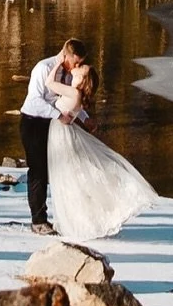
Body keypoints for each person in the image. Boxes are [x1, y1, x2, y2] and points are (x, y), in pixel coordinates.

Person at [45, 60, 157, 241]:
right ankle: (75, 220)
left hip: (61, 134)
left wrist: (58, 63)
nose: (78, 67)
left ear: (82, 80)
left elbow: (49, 83)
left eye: (82, 70)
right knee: (70, 177)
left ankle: (79, 222)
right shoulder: (77, 95)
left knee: (69, 178)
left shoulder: (74, 92)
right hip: (61, 132)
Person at [19, 37, 87, 234]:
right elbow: (34, 102)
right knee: (38, 171)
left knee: (56, 171)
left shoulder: (68, 73)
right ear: (66, 55)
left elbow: (67, 99)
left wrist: (84, 118)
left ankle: (64, 215)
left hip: (53, 125)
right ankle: (38, 220)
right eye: (76, 62)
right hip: (32, 122)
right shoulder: (43, 68)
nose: (78, 66)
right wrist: (58, 116)